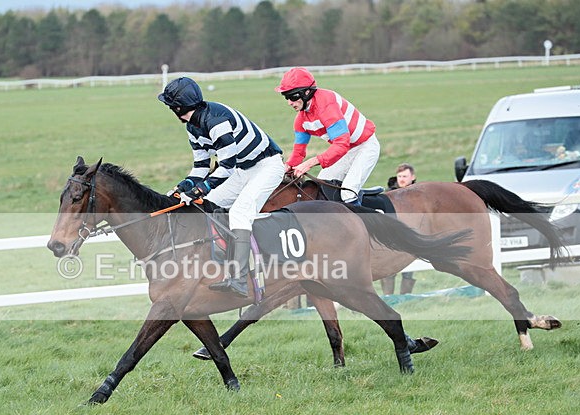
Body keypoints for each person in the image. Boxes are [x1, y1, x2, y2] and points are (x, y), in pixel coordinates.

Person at [158, 77, 285, 298]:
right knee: (208, 204)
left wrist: (199, 190)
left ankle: (239, 279)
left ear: (178, 107)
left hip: (266, 166)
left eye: (170, 106)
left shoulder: (216, 121)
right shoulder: (192, 126)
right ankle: (223, 263)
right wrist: (183, 187)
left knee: (239, 212)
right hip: (242, 170)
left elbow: (226, 166)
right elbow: (200, 166)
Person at [275, 67, 380, 205]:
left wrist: (310, 163)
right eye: (286, 97)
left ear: (307, 92)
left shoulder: (326, 105)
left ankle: (362, 225)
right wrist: (286, 167)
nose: (289, 102)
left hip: (365, 146)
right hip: (346, 151)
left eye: (293, 97)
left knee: (348, 193)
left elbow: (342, 144)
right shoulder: (301, 120)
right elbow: (298, 153)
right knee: (322, 189)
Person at [381, 163, 418, 295]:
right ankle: (388, 298)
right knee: (389, 270)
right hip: (392, 238)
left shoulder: (418, 195)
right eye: (400, 176)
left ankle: (406, 298)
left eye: (405, 176)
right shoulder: (388, 194)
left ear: (412, 177)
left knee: (408, 271)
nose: (402, 179)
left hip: (411, 237)